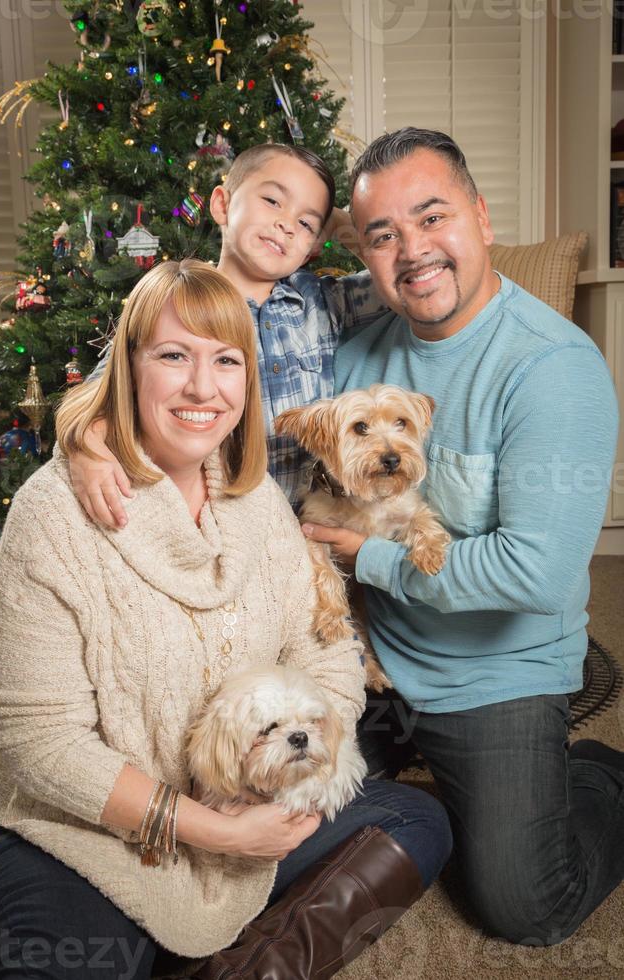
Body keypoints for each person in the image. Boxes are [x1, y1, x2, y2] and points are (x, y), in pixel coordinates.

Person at [0, 260, 452, 979]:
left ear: (247, 381)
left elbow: (325, 653)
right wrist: (211, 830)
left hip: (258, 791)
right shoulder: (52, 518)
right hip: (81, 831)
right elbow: (41, 744)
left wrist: (296, 784)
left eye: (227, 360)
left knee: (419, 819)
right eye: (173, 356)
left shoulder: (257, 502)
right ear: (128, 369)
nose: (203, 386)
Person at [301, 127, 624, 947]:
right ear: (366, 256)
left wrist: (360, 555)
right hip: (373, 655)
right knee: (279, 815)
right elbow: (208, 339)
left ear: (480, 217)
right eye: (383, 235)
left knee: (524, 903)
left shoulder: (553, 369)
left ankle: (600, 774)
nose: (412, 252)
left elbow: (539, 575)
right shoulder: (357, 354)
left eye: (432, 216)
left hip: (497, 668)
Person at [72, 143, 381, 522]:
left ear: (315, 245)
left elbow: (398, 280)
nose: (287, 224)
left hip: (306, 532)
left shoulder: (324, 301)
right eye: (272, 200)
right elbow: (97, 391)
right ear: (221, 204)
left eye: (306, 223)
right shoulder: (179, 301)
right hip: (220, 525)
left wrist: (344, 226)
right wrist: (89, 449)